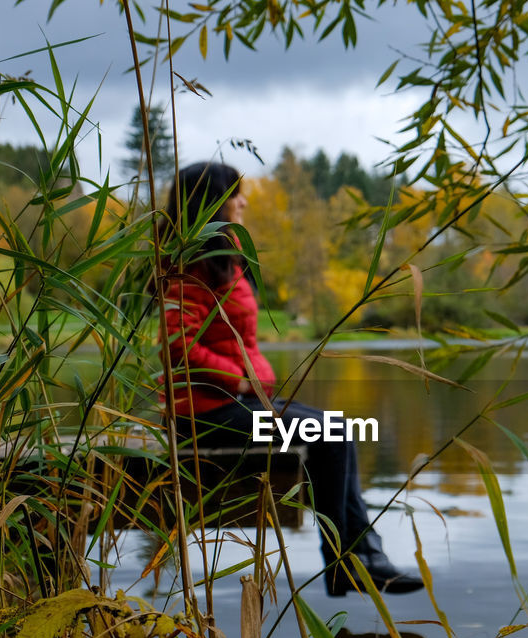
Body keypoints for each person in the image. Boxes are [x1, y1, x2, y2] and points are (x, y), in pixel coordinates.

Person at [156, 161, 424, 597]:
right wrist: (239, 381)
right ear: (209, 203)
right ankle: (347, 561)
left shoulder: (220, 258)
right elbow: (176, 347)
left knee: (338, 429)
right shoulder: (189, 266)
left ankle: (360, 554)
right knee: (333, 434)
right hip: (207, 414)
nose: (242, 201)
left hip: (237, 405)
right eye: (233, 194)